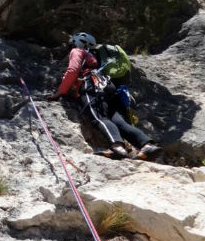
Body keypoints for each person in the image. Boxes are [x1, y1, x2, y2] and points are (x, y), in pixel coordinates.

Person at [47, 32, 161, 160]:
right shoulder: (96, 57)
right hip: (109, 86)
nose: (70, 49)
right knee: (119, 121)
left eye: (71, 45)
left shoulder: (78, 51)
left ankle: (117, 148)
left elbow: (73, 70)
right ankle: (147, 145)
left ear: (77, 42)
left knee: (99, 117)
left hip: (92, 85)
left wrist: (59, 93)